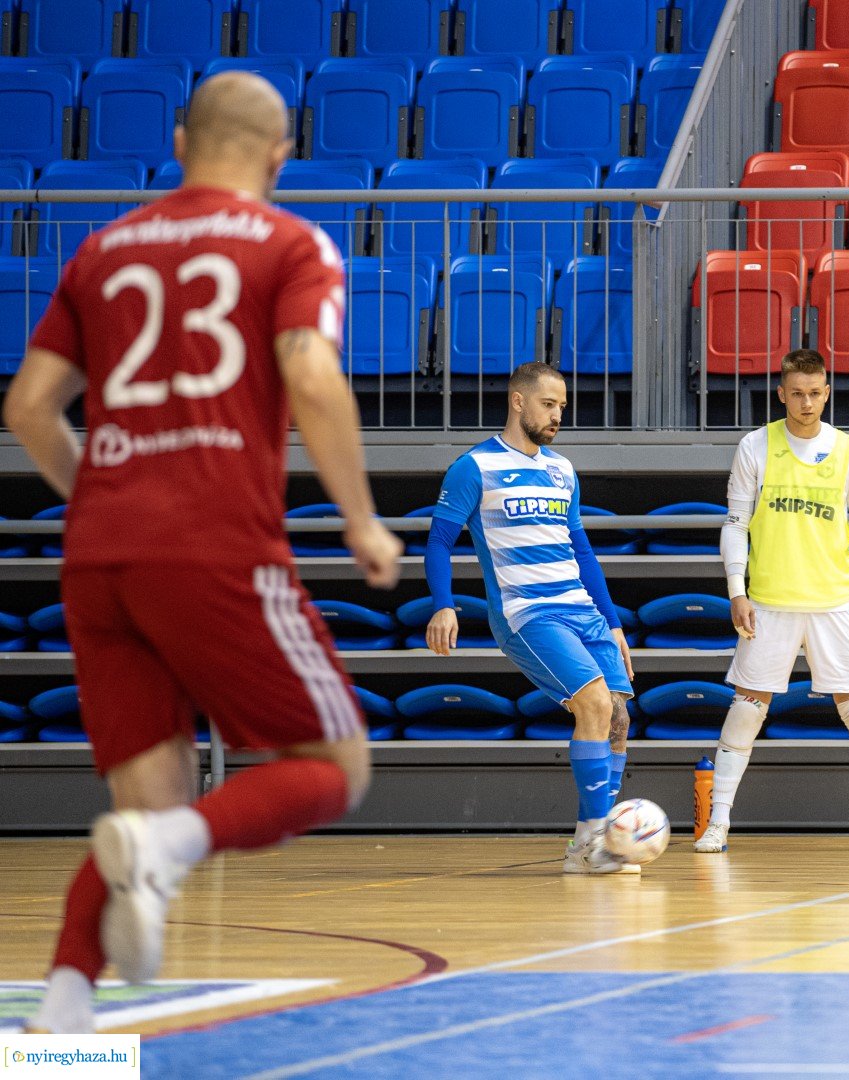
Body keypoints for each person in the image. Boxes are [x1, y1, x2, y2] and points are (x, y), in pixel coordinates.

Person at [3, 72, 403, 1033]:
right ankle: (176, 846)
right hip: (217, 548)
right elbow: (309, 370)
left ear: (180, 139)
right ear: (280, 152)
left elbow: (26, 409)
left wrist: (105, 497)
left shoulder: (103, 249)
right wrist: (359, 518)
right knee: (337, 764)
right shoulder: (289, 242)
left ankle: (59, 1031)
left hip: (100, 558)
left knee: (141, 816)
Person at [696, 349, 849, 855]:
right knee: (747, 710)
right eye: (797, 392)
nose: (806, 402)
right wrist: (736, 590)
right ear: (781, 393)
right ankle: (719, 823)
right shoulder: (755, 446)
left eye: (815, 392)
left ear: (827, 392)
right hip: (769, 603)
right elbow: (734, 525)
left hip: (833, 602)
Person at [424, 362, 638, 875]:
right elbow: (438, 541)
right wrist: (443, 604)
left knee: (619, 718)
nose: (558, 414)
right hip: (528, 613)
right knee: (591, 703)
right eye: (549, 404)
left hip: (583, 610)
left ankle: (593, 839)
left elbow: (582, 550)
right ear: (518, 402)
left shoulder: (563, 470)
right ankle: (594, 842)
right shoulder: (474, 468)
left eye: (562, 405)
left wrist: (612, 623)